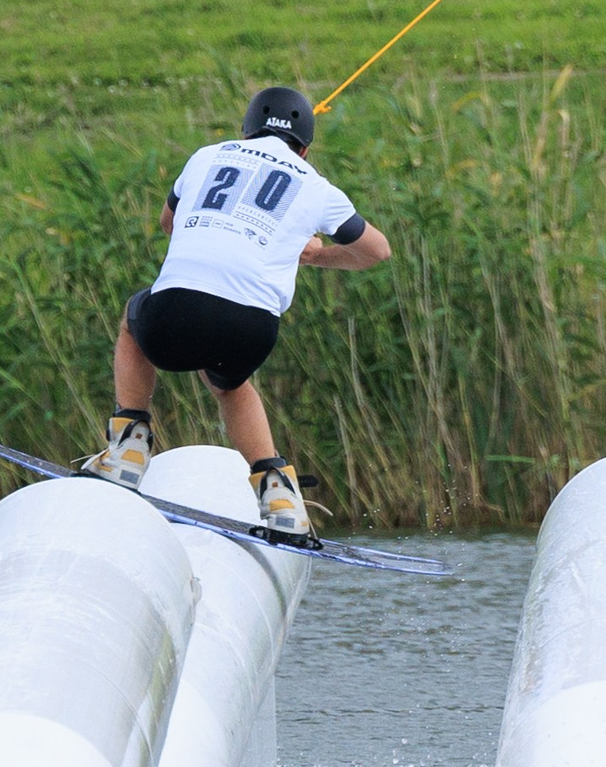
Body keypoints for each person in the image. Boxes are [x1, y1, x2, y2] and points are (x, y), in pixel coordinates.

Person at [81, 85, 392, 532]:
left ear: (246, 133)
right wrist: (316, 255)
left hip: (172, 315)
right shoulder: (317, 186)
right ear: (304, 149)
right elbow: (377, 251)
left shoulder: (206, 156)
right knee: (229, 383)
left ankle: (128, 449)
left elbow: (168, 223)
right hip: (251, 330)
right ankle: (279, 498)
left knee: (133, 321)